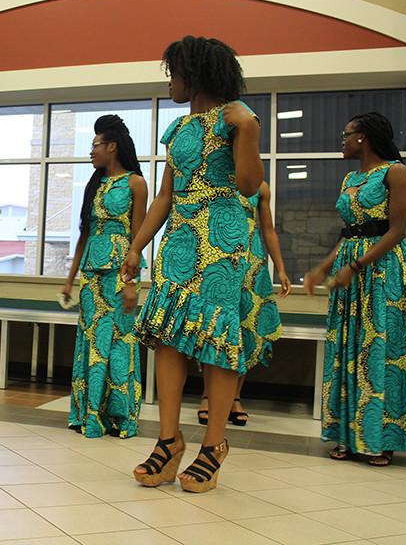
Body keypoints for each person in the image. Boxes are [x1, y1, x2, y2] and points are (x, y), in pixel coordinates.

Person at [124, 36, 263, 493]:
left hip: (223, 239)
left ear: (196, 74)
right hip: (180, 239)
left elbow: (247, 185)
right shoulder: (179, 130)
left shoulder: (238, 118)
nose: (170, 83)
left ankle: (214, 446)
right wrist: (136, 247)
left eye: (174, 73)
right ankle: (169, 441)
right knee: (168, 337)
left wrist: (247, 130)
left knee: (215, 340)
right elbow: (165, 196)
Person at [304, 112, 406, 466]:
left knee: (380, 350)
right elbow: (349, 232)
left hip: (382, 271)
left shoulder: (395, 173)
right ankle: (347, 434)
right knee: (350, 350)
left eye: (346, 133)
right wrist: (324, 267)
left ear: (363, 138)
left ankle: (380, 437)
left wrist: (356, 267)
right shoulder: (350, 179)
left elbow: (396, 231)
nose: (342, 140)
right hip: (350, 269)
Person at [63, 114, 148, 438]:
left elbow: (138, 237)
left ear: (111, 146)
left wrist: (131, 284)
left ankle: (119, 416)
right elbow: (84, 235)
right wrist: (70, 279)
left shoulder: (136, 183)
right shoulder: (95, 184)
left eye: (95, 144)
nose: (91, 151)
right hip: (91, 277)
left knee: (116, 344)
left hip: (119, 274)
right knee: (91, 341)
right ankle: (90, 414)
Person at [198, 181, 291, 426]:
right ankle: (208, 394)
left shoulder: (260, 187)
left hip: (251, 263)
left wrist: (280, 269)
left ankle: (235, 397)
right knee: (215, 328)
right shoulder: (216, 178)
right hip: (219, 258)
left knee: (247, 327)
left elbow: (268, 230)